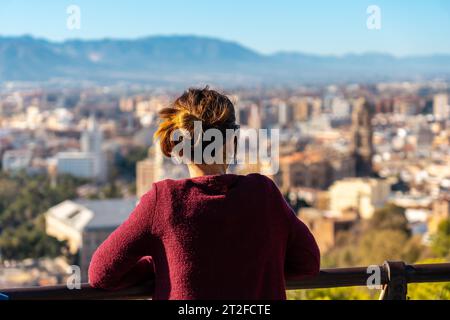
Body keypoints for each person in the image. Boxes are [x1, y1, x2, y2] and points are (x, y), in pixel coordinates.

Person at [88, 87, 320, 299]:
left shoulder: (165, 201)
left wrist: (163, 265)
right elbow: (308, 262)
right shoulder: (264, 194)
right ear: (234, 142)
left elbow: (101, 274)